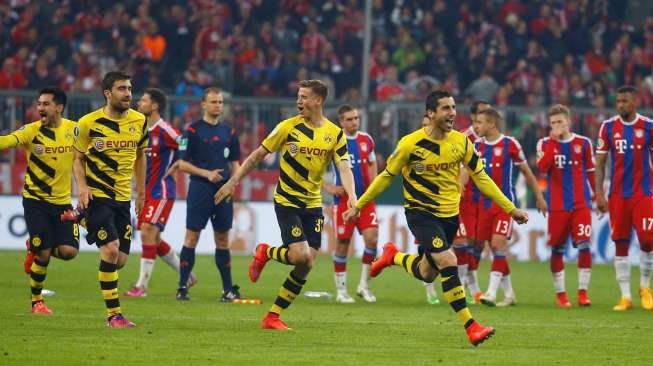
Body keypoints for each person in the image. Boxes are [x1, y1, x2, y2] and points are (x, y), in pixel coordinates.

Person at [344, 90, 530, 346]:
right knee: (448, 259)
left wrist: (511, 209)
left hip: (449, 217)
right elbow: (386, 176)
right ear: (430, 114)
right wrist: (359, 205)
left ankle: (393, 257)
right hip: (420, 214)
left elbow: (481, 178)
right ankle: (471, 326)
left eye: (453, 107)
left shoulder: (462, 142)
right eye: (445, 108)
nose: (452, 113)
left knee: (428, 272)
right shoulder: (410, 144)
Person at [215, 79, 356, 330]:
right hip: (287, 201)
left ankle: (273, 316)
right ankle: (266, 252)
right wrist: (233, 181)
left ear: (318, 101)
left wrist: (353, 200)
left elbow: (344, 167)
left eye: (304, 97)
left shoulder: (334, 134)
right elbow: (258, 155)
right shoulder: (287, 128)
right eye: (298, 97)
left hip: (312, 204)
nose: (298, 101)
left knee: (307, 262)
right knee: (300, 255)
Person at [72, 71, 148, 328]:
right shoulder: (88, 123)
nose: (128, 93)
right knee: (111, 249)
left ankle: (81, 219)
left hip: (123, 197)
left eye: (129, 88)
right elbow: (77, 159)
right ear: (107, 93)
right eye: (122, 89)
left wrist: (141, 192)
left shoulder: (139, 120)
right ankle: (114, 315)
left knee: (121, 260)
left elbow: (140, 155)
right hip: (98, 195)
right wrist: (82, 186)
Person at [0, 87, 79, 315]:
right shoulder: (31, 131)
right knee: (43, 254)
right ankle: (37, 302)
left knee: (68, 252)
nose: (40, 108)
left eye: (45, 104)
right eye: (39, 104)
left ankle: (33, 245)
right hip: (36, 201)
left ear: (59, 107)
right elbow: (6, 141)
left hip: (63, 203)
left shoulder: (74, 130)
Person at [123, 88, 197, 298]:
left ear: (154, 106)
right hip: (146, 192)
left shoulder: (166, 130)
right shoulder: (139, 129)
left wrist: (179, 161)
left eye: (144, 100)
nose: (139, 102)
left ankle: (141, 287)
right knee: (153, 239)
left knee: (146, 231)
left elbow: (184, 140)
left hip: (162, 190)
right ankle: (188, 275)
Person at [475, 108, 547, 307]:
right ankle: (509, 294)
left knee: (498, 245)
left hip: (505, 206)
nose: (476, 126)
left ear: (491, 124)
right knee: (494, 248)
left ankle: (490, 293)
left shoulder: (510, 144)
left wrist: (539, 196)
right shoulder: (475, 146)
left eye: (479, 122)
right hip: (484, 205)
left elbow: (527, 172)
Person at [175, 87, 241, 302]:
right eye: (214, 102)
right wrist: (206, 173)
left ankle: (227, 289)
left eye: (220, 102)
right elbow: (181, 163)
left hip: (223, 190)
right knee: (192, 236)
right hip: (200, 188)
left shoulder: (229, 133)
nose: (218, 106)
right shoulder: (191, 131)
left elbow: (235, 163)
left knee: (222, 238)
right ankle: (182, 287)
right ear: (203, 104)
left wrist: (233, 183)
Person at [595, 85, 653, 311]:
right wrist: (599, 193)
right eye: (618, 101)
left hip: (644, 193)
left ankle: (645, 287)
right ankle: (625, 297)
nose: (620, 105)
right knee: (620, 242)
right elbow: (599, 163)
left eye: (624, 101)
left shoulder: (648, 127)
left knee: (648, 240)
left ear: (635, 102)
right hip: (618, 195)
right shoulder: (608, 127)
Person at [536, 104, 595, 308]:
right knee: (557, 249)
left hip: (581, 204)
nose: (557, 126)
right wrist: (554, 142)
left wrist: (597, 196)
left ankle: (582, 292)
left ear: (569, 121)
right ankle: (561, 294)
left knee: (585, 245)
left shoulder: (584, 143)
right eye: (553, 123)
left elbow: (592, 172)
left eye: (560, 121)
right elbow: (543, 167)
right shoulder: (544, 143)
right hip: (558, 206)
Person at [323, 104, 378, 303]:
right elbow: (316, 167)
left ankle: (364, 286)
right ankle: (341, 291)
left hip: (365, 199)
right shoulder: (335, 141)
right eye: (350, 119)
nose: (354, 122)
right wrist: (328, 187)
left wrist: (374, 186)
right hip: (344, 201)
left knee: (372, 240)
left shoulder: (367, 140)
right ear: (341, 122)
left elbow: (372, 163)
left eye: (356, 118)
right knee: (343, 244)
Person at [455, 100, 491, 304]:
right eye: (484, 113)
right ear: (474, 118)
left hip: (484, 198)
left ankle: (471, 283)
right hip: (466, 198)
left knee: (478, 242)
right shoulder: (463, 138)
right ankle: (469, 287)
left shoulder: (493, 139)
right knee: (464, 241)